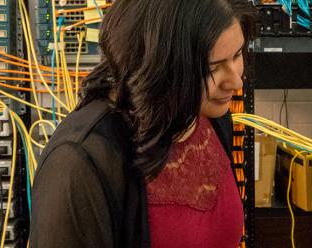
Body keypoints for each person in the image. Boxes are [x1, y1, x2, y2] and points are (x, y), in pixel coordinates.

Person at [28, 0, 255, 247]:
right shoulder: (77, 163)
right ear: (159, 65)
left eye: (237, 55)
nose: (236, 82)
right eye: (212, 68)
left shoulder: (208, 115)